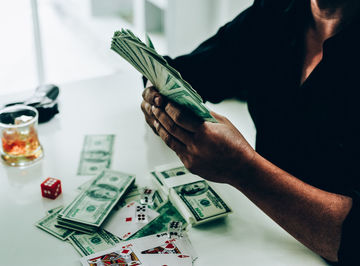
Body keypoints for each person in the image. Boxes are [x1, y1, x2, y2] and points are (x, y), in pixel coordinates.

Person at [140, 0, 360, 265]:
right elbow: (195, 72)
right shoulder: (275, 12)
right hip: (262, 233)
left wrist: (242, 169)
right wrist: (157, 87)